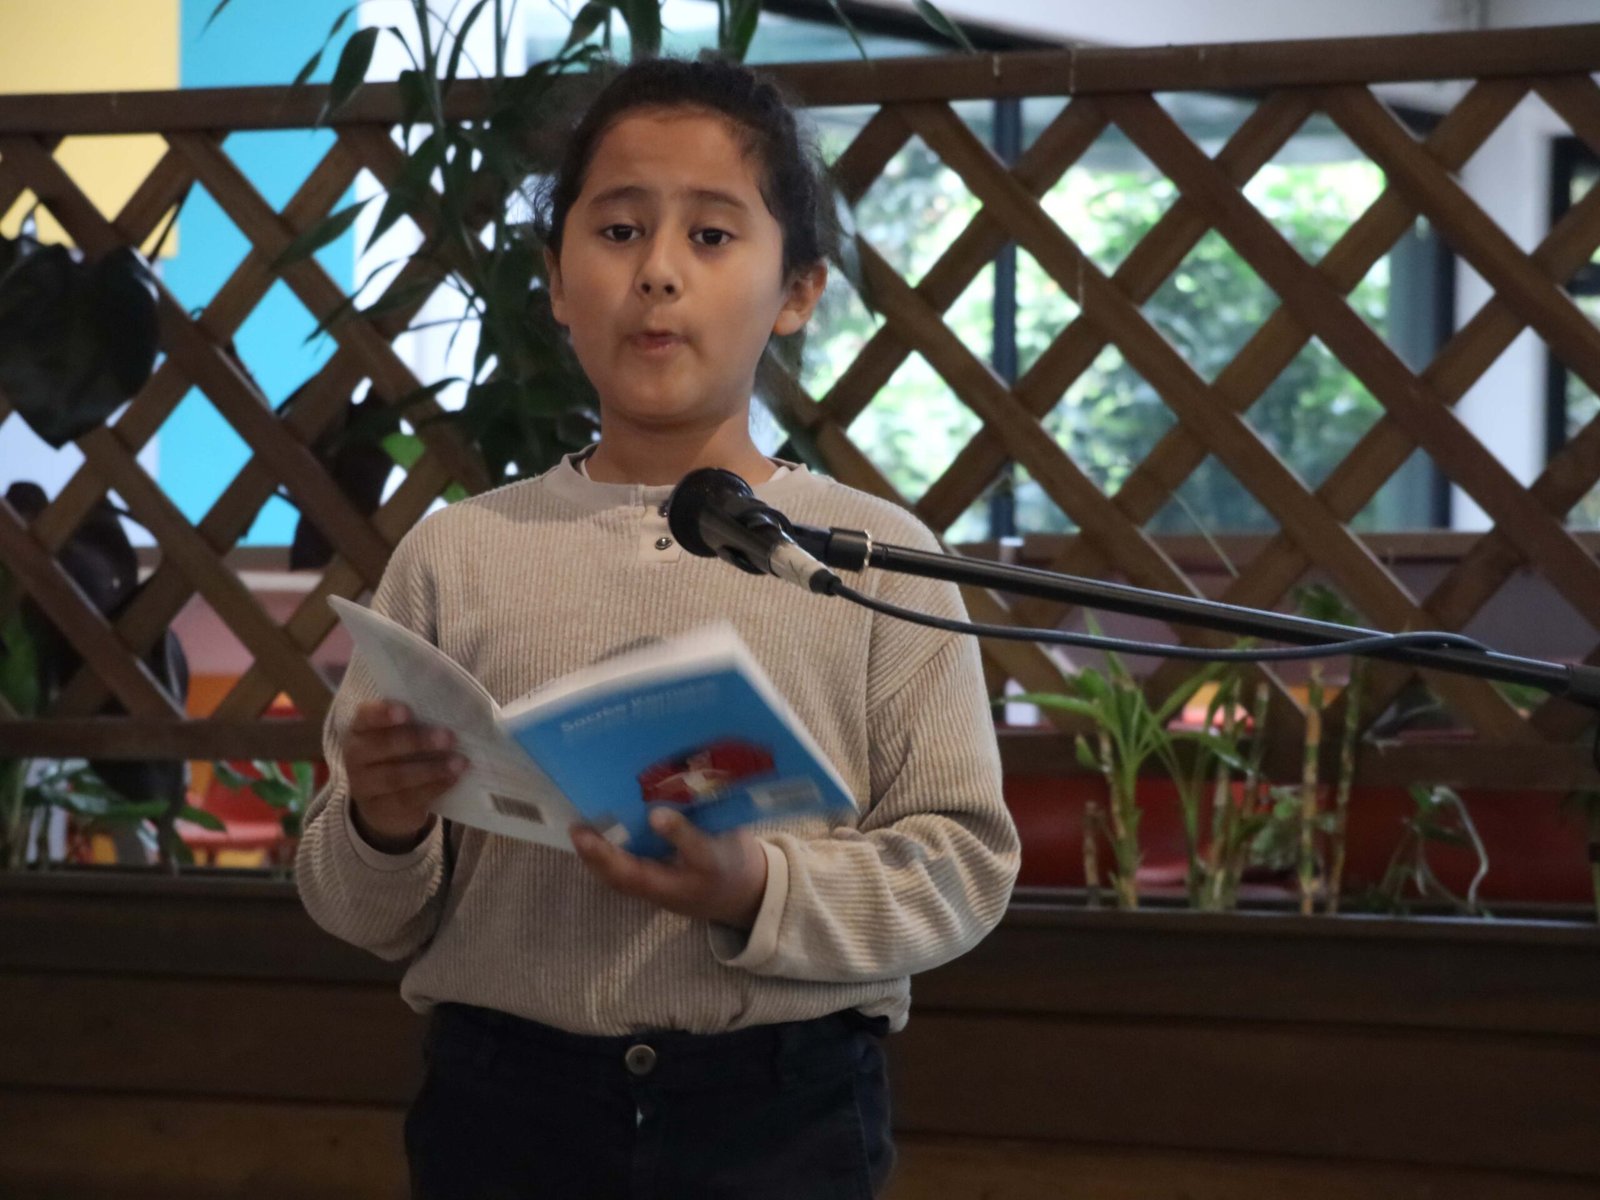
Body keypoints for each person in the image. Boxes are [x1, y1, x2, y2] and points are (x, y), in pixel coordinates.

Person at [296, 55, 1020, 1200]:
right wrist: (382, 823)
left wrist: (754, 888)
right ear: (555, 278)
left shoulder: (876, 556)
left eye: (713, 235)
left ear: (797, 292)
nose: (658, 272)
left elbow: (963, 870)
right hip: (504, 1110)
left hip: (781, 1112)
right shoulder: (457, 553)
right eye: (619, 230)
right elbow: (349, 903)